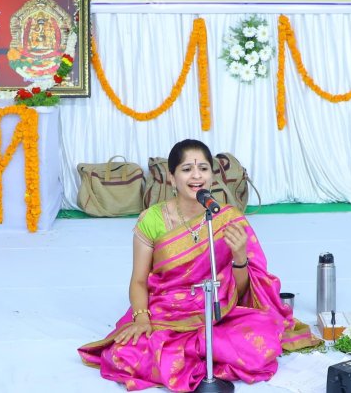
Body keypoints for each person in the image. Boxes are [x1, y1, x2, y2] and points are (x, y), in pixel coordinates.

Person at [78, 139, 319, 391]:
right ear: (171, 178)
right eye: (186, 169)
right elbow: (138, 280)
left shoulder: (228, 218)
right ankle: (206, 354)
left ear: (212, 177)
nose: (196, 176)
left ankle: (194, 354)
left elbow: (242, 292)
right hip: (166, 313)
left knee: (262, 340)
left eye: (203, 168)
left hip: (218, 313)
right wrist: (141, 319)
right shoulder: (152, 219)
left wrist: (239, 258)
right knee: (125, 354)